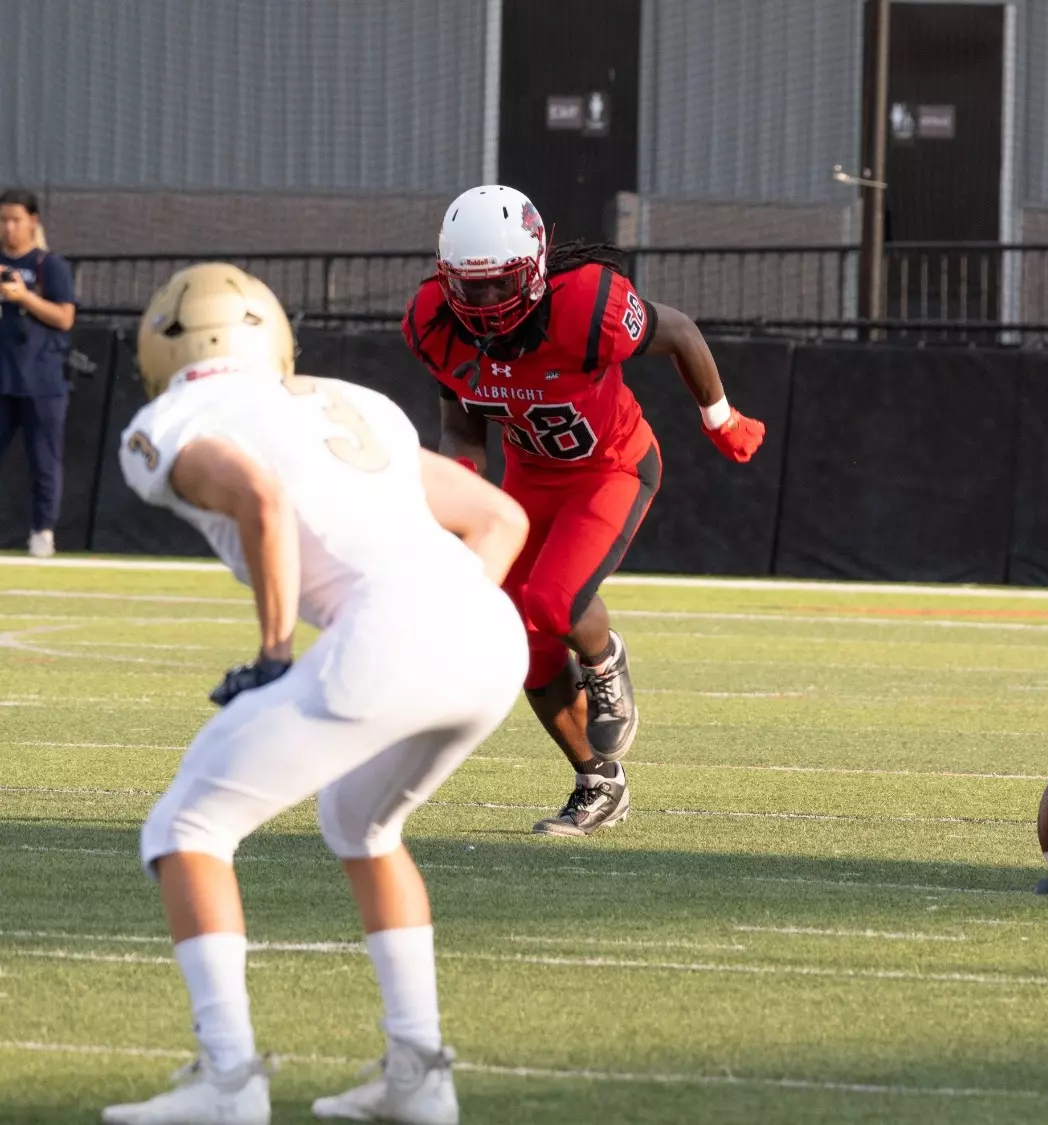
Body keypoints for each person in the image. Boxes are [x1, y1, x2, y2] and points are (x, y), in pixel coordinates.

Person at [103, 263, 530, 1125]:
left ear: (164, 346)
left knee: (186, 826)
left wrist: (273, 652)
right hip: (488, 630)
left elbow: (257, 494)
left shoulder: (168, 420)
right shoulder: (353, 399)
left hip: (392, 630)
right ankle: (420, 1077)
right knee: (361, 822)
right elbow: (501, 520)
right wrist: (430, 626)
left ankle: (230, 1086)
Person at [402, 184, 765, 836]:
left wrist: (721, 416)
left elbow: (678, 330)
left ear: (535, 267)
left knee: (553, 599)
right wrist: (459, 502)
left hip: (612, 469)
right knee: (523, 642)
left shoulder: (586, 307)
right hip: (530, 479)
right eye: (471, 285)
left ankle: (604, 660)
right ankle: (599, 782)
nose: (484, 302)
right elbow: (459, 427)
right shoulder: (434, 321)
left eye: (500, 283)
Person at [0, 188, 78, 557]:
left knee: (44, 461)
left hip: (42, 381)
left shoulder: (50, 266)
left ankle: (42, 533)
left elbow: (64, 318)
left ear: (33, 221)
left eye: (15, 220)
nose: (8, 228)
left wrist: (24, 297)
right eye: (2, 220)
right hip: (3, 377)